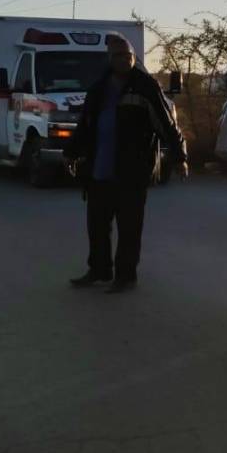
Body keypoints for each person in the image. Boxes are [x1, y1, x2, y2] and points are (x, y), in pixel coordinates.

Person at [66, 34, 188, 293]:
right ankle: (98, 270)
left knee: (129, 228)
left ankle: (126, 276)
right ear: (109, 59)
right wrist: (72, 152)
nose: (124, 60)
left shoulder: (145, 86)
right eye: (118, 55)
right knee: (97, 226)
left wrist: (180, 157)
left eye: (128, 55)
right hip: (99, 169)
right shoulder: (99, 88)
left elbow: (167, 125)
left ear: (134, 57)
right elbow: (85, 126)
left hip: (132, 171)